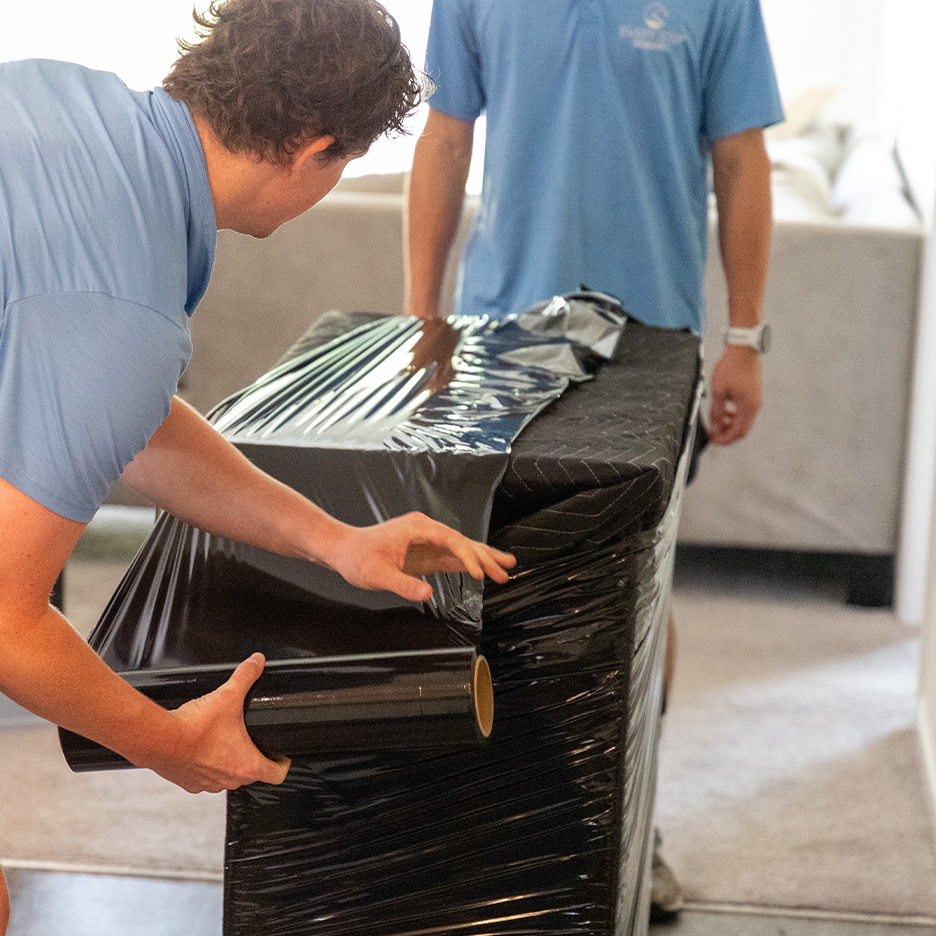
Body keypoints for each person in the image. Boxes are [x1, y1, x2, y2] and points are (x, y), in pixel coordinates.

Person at [0, 0, 516, 929]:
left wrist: (337, 542)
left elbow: (136, 424)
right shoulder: (120, 308)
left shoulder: (61, 102)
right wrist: (167, 743)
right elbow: (3, 620)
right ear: (316, 151)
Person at [404, 0, 784, 920]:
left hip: (656, 344)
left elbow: (741, 161)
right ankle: (501, 830)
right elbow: (446, 140)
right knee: (492, 584)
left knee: (637, 587)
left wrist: (744, 338)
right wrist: (423, 309)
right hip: (503, 335)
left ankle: (633, 824)